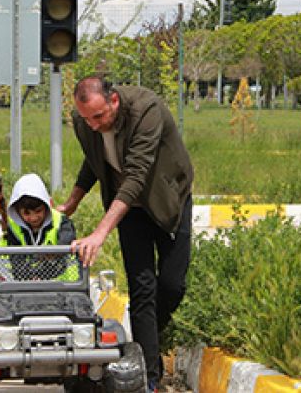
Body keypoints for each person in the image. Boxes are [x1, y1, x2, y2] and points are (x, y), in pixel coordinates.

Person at [58, 76, 193, 392]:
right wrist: (71, 203)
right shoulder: (85, 122)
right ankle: (149, 379)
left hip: (167, 199)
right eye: (87, 118)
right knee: (142, 288)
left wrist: (100, 232)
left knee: (172, 285)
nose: (93, 124)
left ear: (114, 100)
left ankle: (148, 339)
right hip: (128, 209)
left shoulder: (147, 109)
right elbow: (94, 163)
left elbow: (136, 176)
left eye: (99, 116)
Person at [5, 173, 77, 247]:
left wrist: (55, 254)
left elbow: (67, 243)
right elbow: (13, 255)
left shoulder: (62, 222)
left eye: (38, 211)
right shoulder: (12, 226)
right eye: (27, 213)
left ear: (47, 206)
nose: (33, 218)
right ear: (17, 211)